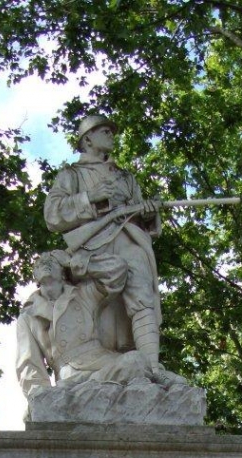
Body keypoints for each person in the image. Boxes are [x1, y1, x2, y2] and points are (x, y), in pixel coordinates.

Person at [43, 114, 163, 369]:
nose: (111, 135)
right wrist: (89, 198)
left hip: (130, 242)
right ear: (88, 139)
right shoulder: (71, 175)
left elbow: (138, 216)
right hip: (94, 249)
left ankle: (152, 366)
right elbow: (52, 214)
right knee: (102, 319)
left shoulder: (125, 177)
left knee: (142, 296)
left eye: (111, 131)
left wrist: (149, 213)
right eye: (105, 131)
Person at [15, 250, 157, 400]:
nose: (45, 262)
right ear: (35, 276)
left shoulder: (83, 294)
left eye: (52, 261)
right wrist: (40, 398)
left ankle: (93, 392)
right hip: (71, 375)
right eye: (40, 263)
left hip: (105, 362)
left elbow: (118, 270)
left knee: (136, 361)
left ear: (63, 272)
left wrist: (75, 262)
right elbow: (29, 364)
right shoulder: (28, 317)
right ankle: (89, 392)